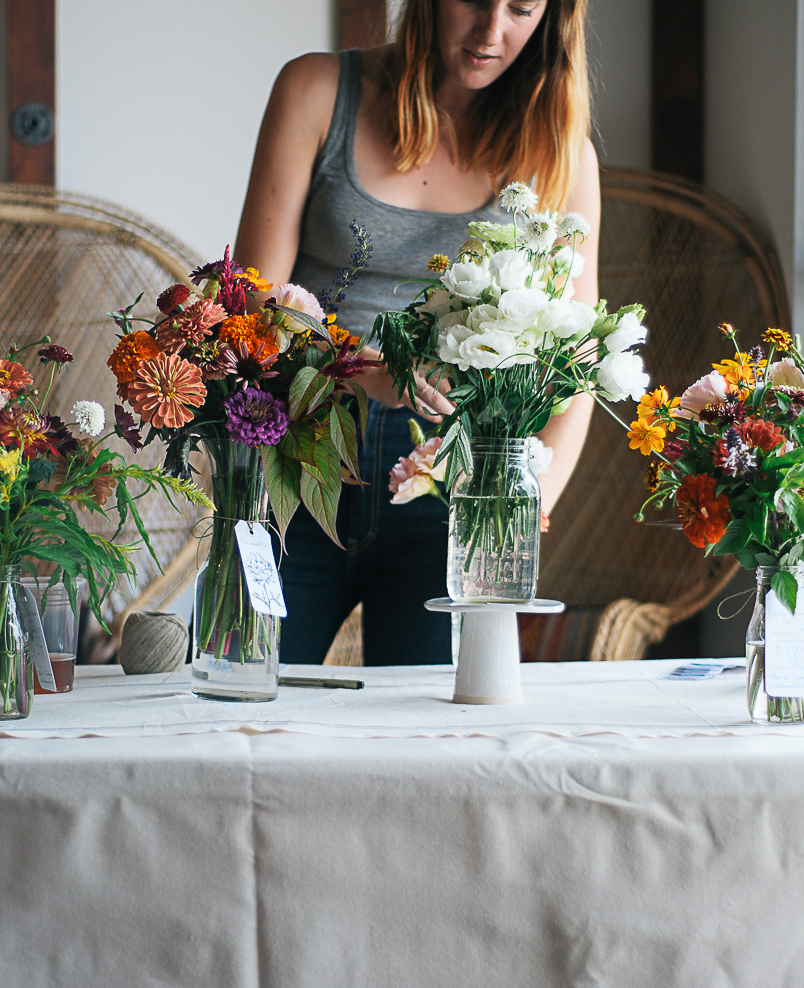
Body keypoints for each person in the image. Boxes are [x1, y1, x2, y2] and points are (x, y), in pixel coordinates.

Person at [235, 0, 600, 665]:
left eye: (521, 8)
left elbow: (579, 354)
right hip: (297, 460)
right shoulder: (318, 91)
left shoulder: (562, 151)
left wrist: (526, 499)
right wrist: (363, 369)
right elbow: (254, 303)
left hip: (452, 482)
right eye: (474, 0)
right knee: (242, 706)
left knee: (427, 744)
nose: (493, 31)